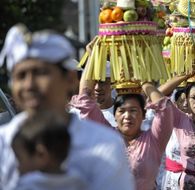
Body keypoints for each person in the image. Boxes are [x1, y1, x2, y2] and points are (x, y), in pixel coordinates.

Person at [0, 24, 134, 190]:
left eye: (40, 73)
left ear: (70, 80)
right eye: (20, 76)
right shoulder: (3, 142)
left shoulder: (103, 145)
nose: (29, 85)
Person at [70, 56, 174, 189]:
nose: (127, 116)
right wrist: (94, 56)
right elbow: (84, 98)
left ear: (143, 115)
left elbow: (164, 108)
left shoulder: (153, 140)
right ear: (114, 115)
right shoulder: (107, 135)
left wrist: (144, 82)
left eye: (133, 110)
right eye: (122, 111)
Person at [12, 111, 86, 190]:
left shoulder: (27, 185)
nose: (17, 165)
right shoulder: (80, 180)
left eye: (19, 157)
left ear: (41, 154)